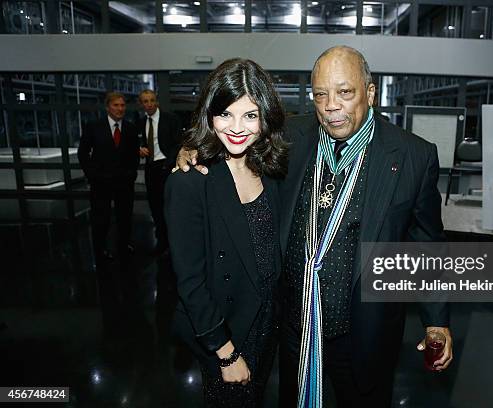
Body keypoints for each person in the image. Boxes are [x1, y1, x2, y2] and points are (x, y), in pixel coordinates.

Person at [176, 46, 453, 407]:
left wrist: (436, 321)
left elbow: (428, 245)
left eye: (344, 92)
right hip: (294, 329)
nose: (331, 105)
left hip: (364, 332)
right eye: (320, 94)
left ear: (370, 93)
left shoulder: (413, 155)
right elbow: (231, 133)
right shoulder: (290, 137)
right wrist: (192, 151)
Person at [164, 58, 288, 407]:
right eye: (226, 114)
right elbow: (190, 281)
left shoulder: (271, 168)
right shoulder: (190, 180)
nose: (236, 127)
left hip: (266, 324)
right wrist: (227, 354)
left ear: (266, 118)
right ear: (209, 114)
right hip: (226, 333)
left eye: (250, 115)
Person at [78, 91, 139, 266]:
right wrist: (92, 175)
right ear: (107, 107)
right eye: (116, 105)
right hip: (101, 182)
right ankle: (100, 249)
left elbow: (134, 155)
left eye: (122, 105)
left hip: (124, 182)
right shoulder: (94, 126)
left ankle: (124, 245)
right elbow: (83, 153)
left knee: (125, 217)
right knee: (100, 218)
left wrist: (131, 174)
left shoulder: (130, 128)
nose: (120, 109)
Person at [137, 89, 183, 253]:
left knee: (171, 206)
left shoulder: (170, 119)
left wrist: (168, 165)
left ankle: (174, 241)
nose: (149, 104)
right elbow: (139, 143)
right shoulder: (141, 122)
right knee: (155, 205)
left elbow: (178, 144)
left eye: (151, 100)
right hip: (151, 168)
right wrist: (139, 149)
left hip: (167, 167)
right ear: (141, 104)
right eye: (145, 101)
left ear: (156, 102)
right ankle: (161, 240)